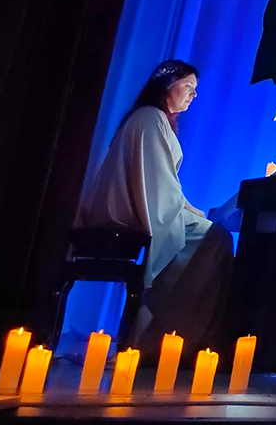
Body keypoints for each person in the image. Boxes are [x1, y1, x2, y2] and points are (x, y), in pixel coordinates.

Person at [77, 61, 233, 357]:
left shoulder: (154, 119)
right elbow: (156, 183)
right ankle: (163, 336)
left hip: (144, 204)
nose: (194, 95)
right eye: (188, 87)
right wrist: (191, 212)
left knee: (214, 235)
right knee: (215, 238)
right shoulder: (151, 118)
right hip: (128, 210)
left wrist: (190, 210)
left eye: (195, 89)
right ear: (167, 85)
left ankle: (174, 333)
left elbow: (160, 180)